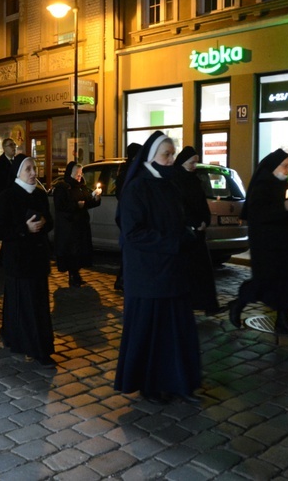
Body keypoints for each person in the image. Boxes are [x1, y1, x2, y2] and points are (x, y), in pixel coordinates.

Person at [114, 131, 201, 404]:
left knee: (175, 333)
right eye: (167, 154)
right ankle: (151, 385)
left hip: (172, 273)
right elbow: (133, 233)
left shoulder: (170, 184)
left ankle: (179, 382)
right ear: (152, 156)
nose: (171, 159)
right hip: (148, 275)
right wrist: (173, 241)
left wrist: (186, 232)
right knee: (151, 335)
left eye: (173, 154)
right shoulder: (137, 187)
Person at [227, 148, 288, 336]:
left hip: (285, 244)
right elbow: (258, 214)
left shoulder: (283, 184)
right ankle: (238, 304)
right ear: (273, 167)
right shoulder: (262, 184)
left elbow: (287, 213)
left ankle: (283, 321)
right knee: (264, 282)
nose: (287, 170)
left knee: (287, 283)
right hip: (267, 246)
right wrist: (283, 208)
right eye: (285, 166)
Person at [0, 154, 56, 368]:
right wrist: (24, 229)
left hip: (38, 258)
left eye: (34, 168)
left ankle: (21, 339)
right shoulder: (7, 196)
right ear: (18, 172)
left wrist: (45, 223)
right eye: (28, 169)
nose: (33, 173)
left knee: (38, 304)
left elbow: (50, 221)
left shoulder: (39, 195)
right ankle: (33, 348)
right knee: (24, 304)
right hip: (19, 260)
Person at [173, 146, 222, 316]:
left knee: (203, 272)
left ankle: (208, 304)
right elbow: (180, 207)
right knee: (189, 272)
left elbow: (201, 202)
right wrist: (194, 223)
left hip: (198, 233)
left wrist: (205, 220)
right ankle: (190, 304)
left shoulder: (194, 179)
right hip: (187, 233)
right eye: (191, 162)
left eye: (195, 162)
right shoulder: (177, 180)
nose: (194, 165)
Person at [53, 161, 102, 287]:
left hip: (81, 225)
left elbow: (88, 202)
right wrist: (76, 205)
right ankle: (73, 275)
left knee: (81, 251)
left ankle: (77, 274)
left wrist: (96, 198)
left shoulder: (82, 186)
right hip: (69, 226)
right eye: (77, 173)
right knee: (72, 252)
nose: (79, 176)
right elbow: (60, 205)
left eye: (80, 173)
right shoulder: (63, 187)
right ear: (70, 173)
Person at [113, 142, 141, 291]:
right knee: (129, 249)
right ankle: (122, 280)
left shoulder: (127, 171)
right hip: (127, 215)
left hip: (127, 215)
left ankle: (122, 279)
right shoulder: (128, 172)